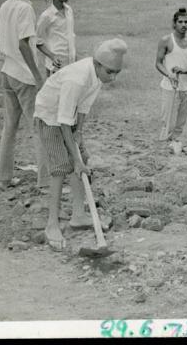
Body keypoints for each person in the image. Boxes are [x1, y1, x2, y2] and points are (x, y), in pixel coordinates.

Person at [34, 38, 127, 250]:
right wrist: (74, 160)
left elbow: (83, 107)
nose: (112, 77)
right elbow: (62, 120)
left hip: (69, 115)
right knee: (61, 166)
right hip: (49, 115)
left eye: (117, 73)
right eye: (110, 72)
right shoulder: (77, 79)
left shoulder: (97, 78)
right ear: (97, 64)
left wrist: (80, 134)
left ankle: (78, 215)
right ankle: (52, 225)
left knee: (82, 160)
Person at [0, 0, 52, 189]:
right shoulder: (24, 8)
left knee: (10, 127)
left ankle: (3, 177)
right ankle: (46, 181)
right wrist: (37, 76)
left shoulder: (5, 5)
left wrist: (12, 57)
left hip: (7, 72)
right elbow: (23, 44)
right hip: (25, 77)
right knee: (40, 127)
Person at [155, 7, 187, 145]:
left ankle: (175, 144)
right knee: (166, 120)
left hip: (185, 87)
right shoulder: (166, 40)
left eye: (186, 22)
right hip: (169, 87)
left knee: (181, 121)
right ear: (174, 23)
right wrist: (169, 75)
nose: (184, 25)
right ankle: (162, 145)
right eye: (180, 22)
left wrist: (183, 71)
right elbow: (158, 63)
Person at [36, 0, 76, 76]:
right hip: (55, 67)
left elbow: (71, 35)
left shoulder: (69, 10)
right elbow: (37, 40)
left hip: (70, 64)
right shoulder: (47, 16)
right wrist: (52, 56)